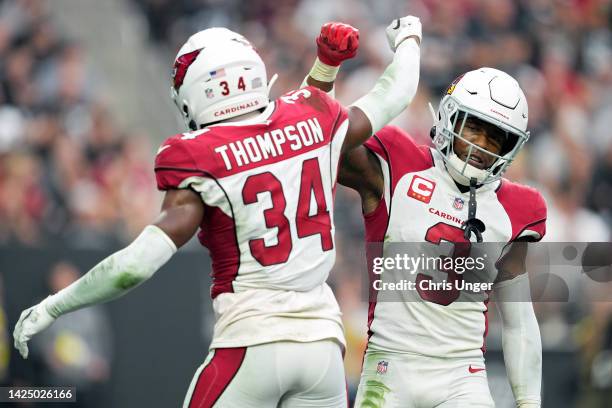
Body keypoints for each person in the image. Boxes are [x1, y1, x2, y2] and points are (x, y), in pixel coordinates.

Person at [13, 16, 423, 407]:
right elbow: (394, 94)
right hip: (323, 351)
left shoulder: (197, 153)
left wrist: (55, 305)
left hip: (251, 342)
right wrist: (409, 37)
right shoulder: (312, 117)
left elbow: (135, 266)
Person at [314, 67, 544, 407]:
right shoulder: (401, 164)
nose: (480, 145)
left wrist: (528, 403)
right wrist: (326, 71)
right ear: (451, 115)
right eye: (475, 127)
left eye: (495, 137)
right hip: (390, 364)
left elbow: (519, 321)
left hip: (462, 374)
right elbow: (325, 142)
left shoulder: (516, 208)